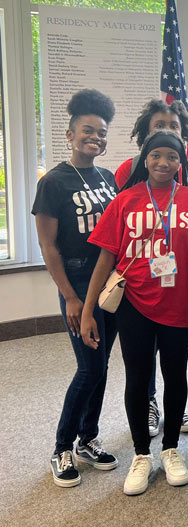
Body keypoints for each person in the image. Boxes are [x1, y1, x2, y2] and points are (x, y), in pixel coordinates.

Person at [80, 130, 188, 496]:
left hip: (180, 305)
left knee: (175, 376)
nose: (163, 163)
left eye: (172, 156)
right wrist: (89, 310)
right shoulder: (125, 201)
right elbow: (105, 259)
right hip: (135, 304)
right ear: (145, 159)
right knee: (138, 379)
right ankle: (142, 454)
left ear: (180, 162)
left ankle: (170, 449)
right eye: (156, 156)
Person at [33, 89, 119, 488]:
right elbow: (48, 246)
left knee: (100, 368)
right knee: (88, 368)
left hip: (110, 284)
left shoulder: (106, 178)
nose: (96, 139)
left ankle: (88, 438)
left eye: (101, 133)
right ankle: (61, 446)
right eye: (88, 131)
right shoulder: (53, 181)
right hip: (78, 281)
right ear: (69, 134)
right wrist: (69, 296)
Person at [115, 99, 188, 437]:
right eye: (159, 126)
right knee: (139, 364)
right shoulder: (128, 178)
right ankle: (148, 405)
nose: (166, 131)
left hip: (177, 291)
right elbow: (116, 238)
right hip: (137, 288)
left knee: (175, 366)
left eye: (173, 127)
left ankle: (173, 424)